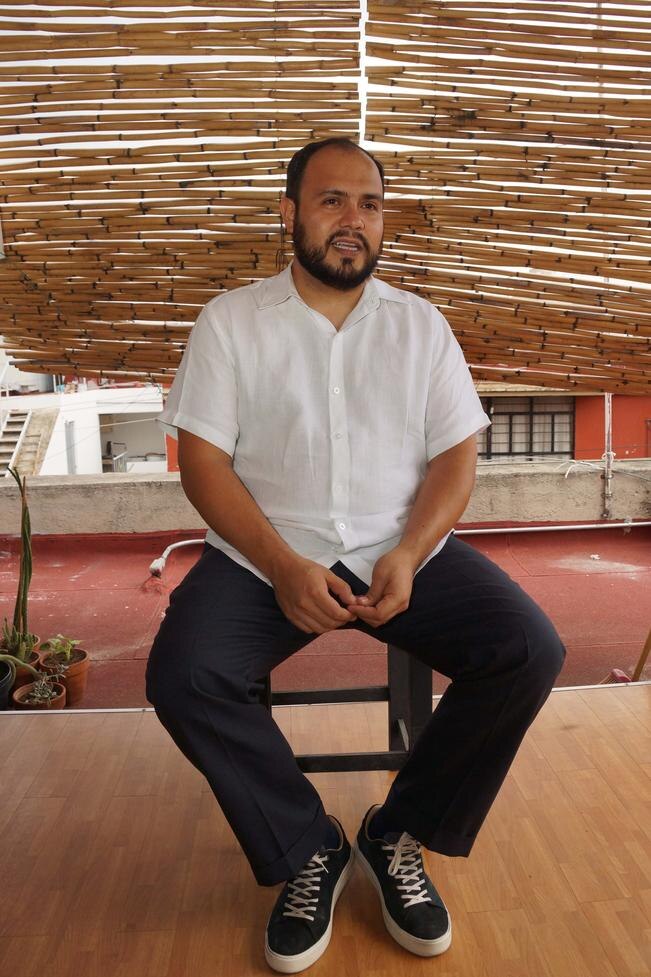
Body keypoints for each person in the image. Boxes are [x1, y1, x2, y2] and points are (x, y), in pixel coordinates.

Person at [145, 137, 566, 974]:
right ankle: (309, 845)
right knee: (184, 675)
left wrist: (410, 549)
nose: (352, 220)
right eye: (331, 200)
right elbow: (203, 463)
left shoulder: (419, 325)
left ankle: (396, 831)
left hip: (399, 550)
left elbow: (455, 458)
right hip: (266, 554)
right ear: (289, 214)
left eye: (368, 204)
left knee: (527, 649)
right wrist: (280, 564)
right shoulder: (232, 321)